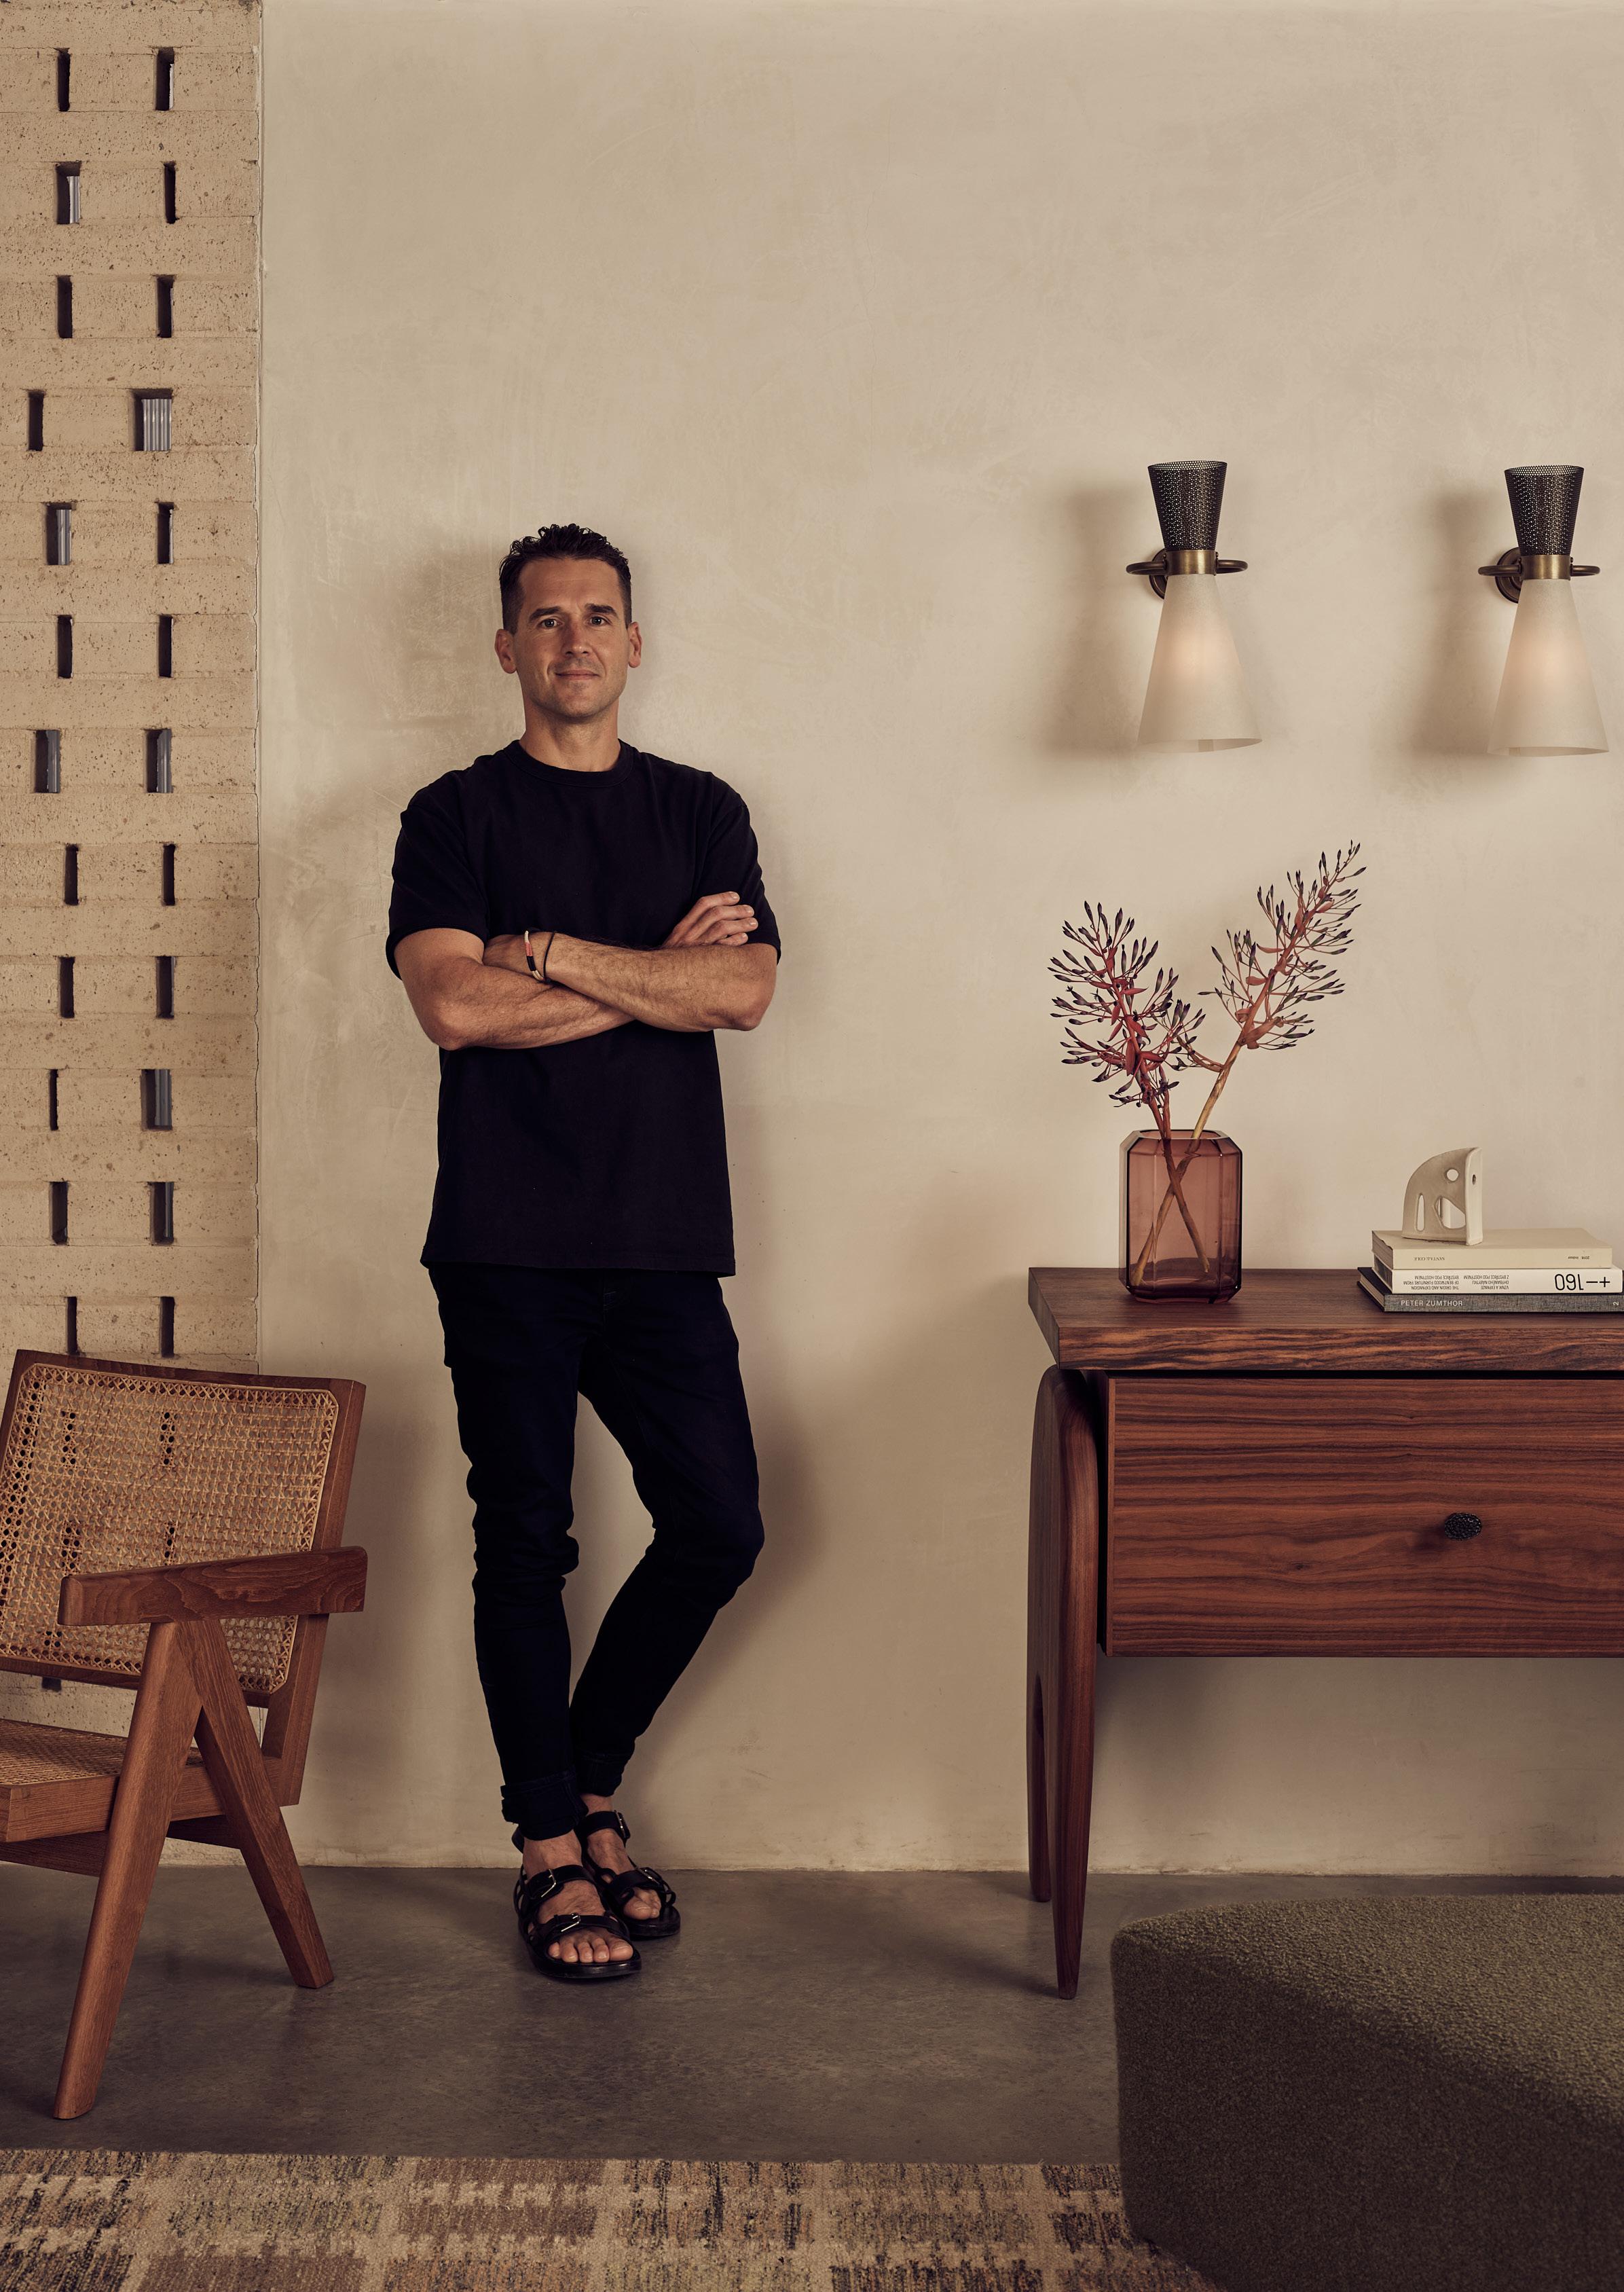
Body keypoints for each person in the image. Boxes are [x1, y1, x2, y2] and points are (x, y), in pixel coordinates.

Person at [386, 523, 779, 1984]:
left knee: (720, 1526)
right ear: (507, 646)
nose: (572, 640)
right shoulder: (452, 814)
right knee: (524, 1542)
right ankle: (551, 1846)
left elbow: (742, 992)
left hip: (665, 1241)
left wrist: (543, 952)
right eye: (545, 619)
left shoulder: (700, 809)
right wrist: (655, 972)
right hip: (504, 1242)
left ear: (634, 641)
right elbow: (452, 1010)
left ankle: (587, 1778)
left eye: (597, 615)